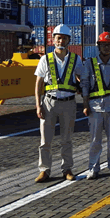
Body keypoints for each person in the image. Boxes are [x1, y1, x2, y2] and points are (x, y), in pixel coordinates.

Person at [33, 24, 83, 183]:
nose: (61, 41)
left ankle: (67, 169)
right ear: (53, 40)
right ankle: (44, 170)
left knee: (67, 139)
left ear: (69, 40)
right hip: (49, 102)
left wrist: (82, 87)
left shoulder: (76, 59)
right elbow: (38, 83)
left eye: (64, 38)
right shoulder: (45, 59)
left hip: (69, 103)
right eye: (58, 38)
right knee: (45, 140)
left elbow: (81, 78)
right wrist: (38, 105)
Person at [81, 32, 110, 179]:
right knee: (95, 140)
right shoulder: (89, 63)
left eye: (109, 45)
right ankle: (93, 168)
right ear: (98, 46)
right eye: (104, 45)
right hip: (95, 107)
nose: (106, 47)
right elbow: (85, 85)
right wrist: (85, 104)